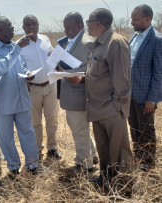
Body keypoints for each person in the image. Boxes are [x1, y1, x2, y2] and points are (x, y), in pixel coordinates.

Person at [0, 16, 39, 175]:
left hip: (21, 97)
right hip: (3, 101)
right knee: (6, 137)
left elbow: (22, 66)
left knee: (27, 132)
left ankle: (32, 165)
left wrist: (28, 74)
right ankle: (13, 167)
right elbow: (2, 66)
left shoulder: (14, 46)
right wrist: (18, 47)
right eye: (9, 25)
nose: (13, 28)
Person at [83, 8, 133, 183]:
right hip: (98, 108)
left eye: (88, 21)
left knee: (119, 151)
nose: (86, 25)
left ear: (98, 23)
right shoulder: (99, 43)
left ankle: (123, 187)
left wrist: (118, 107)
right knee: (104, 150)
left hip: (111, 109)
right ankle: (106, 180)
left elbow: (122, 80)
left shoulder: (116, 43)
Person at [57, 12, 97, 171]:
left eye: (69, 28)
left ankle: (84, 164)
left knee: (79, 130)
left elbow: (88, 67)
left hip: (78, 94)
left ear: (79, 26)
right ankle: (92, 156)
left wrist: (67, 72)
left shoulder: (86, 42)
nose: (66, 31)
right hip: (71, 93)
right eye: (65, 28)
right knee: (80, 129)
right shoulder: (71, 41)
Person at [20, 15, 61, 160]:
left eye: (34, 24)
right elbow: (19, 66)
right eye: (28, 25)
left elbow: (52, 55)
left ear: (38, 25)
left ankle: (53, 147)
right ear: (23, 28)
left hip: (50, 84)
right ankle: (37, 149)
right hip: (33, 88)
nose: (31, 27)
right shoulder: (20, 45)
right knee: (35, 121)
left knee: (52, 119)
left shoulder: (45, 39)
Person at [129, 4, 162, 172]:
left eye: (135, 19)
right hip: (130, 94)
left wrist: (153, 98)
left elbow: (159, 72)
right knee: (134, 127)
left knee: (146, 130)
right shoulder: (134, 36)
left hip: (146, 97)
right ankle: (138, 157)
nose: (132, 22)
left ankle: (148, 164)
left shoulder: (157, 40)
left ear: (147, 19)